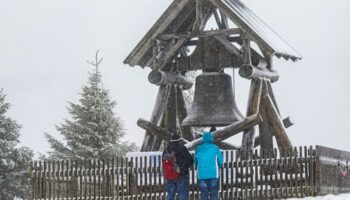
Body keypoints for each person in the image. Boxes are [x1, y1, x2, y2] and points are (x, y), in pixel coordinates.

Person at [163, 134, 193, 200]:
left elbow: (164, 162)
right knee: (183, 195)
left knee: (170, 196)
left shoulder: (166, 149)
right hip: (182, 175)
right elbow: (190, 160)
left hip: (170, 175)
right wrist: (185, 168)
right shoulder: (183, 148)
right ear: (179, 140)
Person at [194, 131, 223, 200]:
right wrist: (219, 166)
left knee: (204, 194)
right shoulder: (215, 148)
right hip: (213, 174)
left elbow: (195, 161)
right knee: (214, 194)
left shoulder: (198, 149)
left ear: (203, 139)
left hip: (202, 174)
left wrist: (196, 166)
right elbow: (220, 161)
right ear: (211, 138)